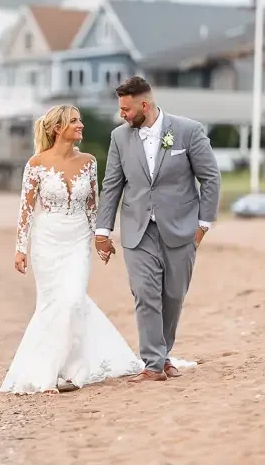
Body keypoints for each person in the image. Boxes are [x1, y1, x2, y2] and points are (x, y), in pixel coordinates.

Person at [0, 105, 144, 394]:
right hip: (47, 240)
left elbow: (94, 205)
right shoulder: (36, 164)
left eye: (80, 120)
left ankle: (71, 369)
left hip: (78, 238)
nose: (81, 125)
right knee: (53, 304)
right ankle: (54, 374)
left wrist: (100, 238)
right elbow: (26, 209)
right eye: (74, 121)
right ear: (57, 128)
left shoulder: (89, 162)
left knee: (74, 300)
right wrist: (20, 248)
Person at [94, 76, 220, 383]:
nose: (121, 114)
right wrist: (102, 230)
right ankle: (152, 363)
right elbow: (112, 185)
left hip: (181, 230)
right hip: (137, 230)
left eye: (126, 108)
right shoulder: (119, 138)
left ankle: (162, 357)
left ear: (144, 105)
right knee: (145, 293)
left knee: (172, 296)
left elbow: (211, 178)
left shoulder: (189, 131)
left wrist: (203, 225)